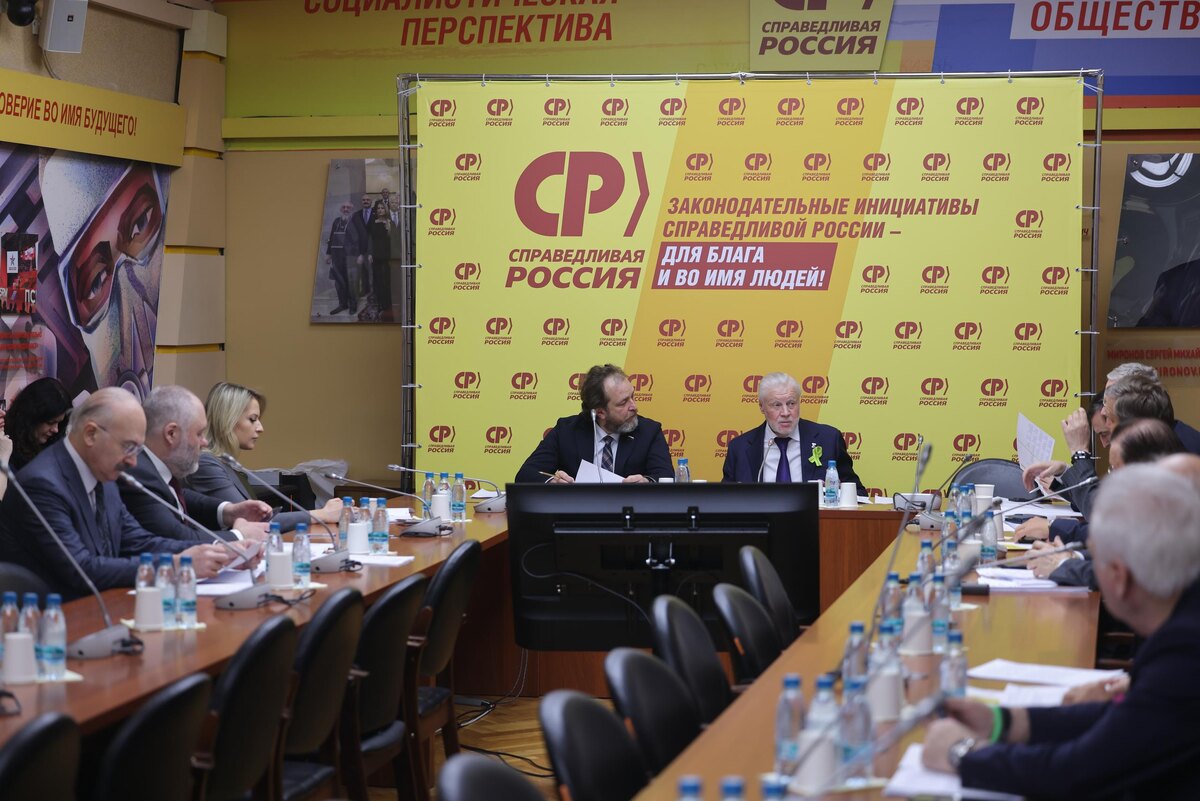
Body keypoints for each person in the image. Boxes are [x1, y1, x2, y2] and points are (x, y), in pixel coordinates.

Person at [922, 464, 1200, 798]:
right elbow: (1124, 722)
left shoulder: (1184, 653)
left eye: (1092, 557)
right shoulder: (1182, 621)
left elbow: (1076, 771)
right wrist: (1001, 722)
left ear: (1118, 577)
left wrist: (963, 753)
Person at [0, 387, 232, 599]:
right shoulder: (42, 485)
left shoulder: (103, 475)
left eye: (137, 450)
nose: (133, 462)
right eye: (128, 447)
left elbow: (138, 541)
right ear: (91, 434)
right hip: (48, 620)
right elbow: (82, 570)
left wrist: (218, 551)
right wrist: (176, 564)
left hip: (98, 610)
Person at [120, 385, 272, 545]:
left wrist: (228, 511)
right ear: (171, 433)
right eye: (199, 434)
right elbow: (176, 538)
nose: (204, 442)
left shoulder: (156, 471)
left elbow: (178, 496)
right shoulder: (138, 476)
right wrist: (238, 536)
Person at [186, 382, 342, 532]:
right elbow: (250, 521)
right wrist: (322, 514)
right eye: (252, 419)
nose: (260, 428)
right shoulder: (206, 464)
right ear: (228, 420)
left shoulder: (225, 463)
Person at [515, 364, 672, 484]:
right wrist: (552, 482)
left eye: (632, 396)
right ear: (600, 412)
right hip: (579, 515)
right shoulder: (567, 431)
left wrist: (647, 482)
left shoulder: (649, 431)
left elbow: (666, 477)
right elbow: (526, 474)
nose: (634, 406)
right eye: (623, 402)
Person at [722, 372, 862, 486]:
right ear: (761, 407)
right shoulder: (739, 448)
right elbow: (726, 500)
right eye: (777, 405)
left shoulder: (829, 439)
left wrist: (837, 492)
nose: (785, 413)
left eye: (791, 403)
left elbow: (858, 493)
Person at [5, 376, 72, 471]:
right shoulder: (5, 448)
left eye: (59, 423)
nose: (56, 429)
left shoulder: (58, 448)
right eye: (50, 422)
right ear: (32, 417)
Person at [363, 203, 394, 322]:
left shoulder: (390, 223)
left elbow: (393, 240)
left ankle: (387, 303)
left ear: (385, 210)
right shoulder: (373, 223)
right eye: (378, 208)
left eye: (382, 208)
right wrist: (370, 253)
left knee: (387, 279)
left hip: (387, 255)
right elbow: (370, 239)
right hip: (376, 255)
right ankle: (380, 303)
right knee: (377, 279)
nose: (380, 210)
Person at [324, 201, 356, 315]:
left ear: (351, 209)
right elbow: (331, 237)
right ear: (341, 209)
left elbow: (359, 239)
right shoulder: (336, 221)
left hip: (349, 256)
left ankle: (353, 306)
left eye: (348, 207)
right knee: (339, 282)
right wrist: (328, 253)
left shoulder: (354, 222)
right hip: (336, 255)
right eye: (344, 207)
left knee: (350, 281)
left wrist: (357, 254)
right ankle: (342, 304)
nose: (346, 209)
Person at [347, 193, 374, 298]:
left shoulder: (376, 213)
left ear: (371, 202)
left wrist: (372, 252)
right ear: (361, 202)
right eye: (364, 200)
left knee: (374, 272)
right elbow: (353, 234)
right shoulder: (356, 215)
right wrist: (358, 253)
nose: (366, 201)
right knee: (362, 272)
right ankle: (365, 290)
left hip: (373, 249)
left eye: (368, 200)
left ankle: (374, 292)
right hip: (360, 249)